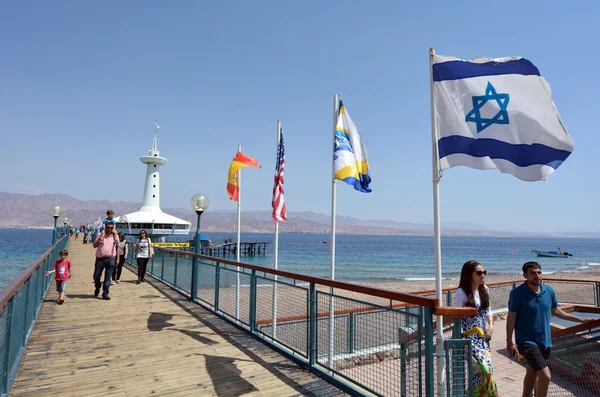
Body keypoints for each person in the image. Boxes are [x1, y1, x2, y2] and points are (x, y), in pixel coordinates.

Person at [506, 261, 593, 397]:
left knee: (532, 372)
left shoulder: (549, 291)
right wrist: (509, 341)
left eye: (539, 272)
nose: (537, 276)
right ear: (525, 275)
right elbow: (511, 317)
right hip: (526, 341)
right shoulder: (517, 293)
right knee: (545, 375)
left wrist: (581, 320)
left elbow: (557, 311)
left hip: (545, 341)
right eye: (533, 273)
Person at [455, 260, 498, 396]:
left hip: (483, 338)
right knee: (483, 370)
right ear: (469, 274)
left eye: (484, 272)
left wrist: (491, 326)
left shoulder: (485, 289)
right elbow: (457, 314)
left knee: (486, 372)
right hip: (470, 339)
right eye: (479, 273)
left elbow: (489, 310)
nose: (482, 275)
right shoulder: (462, 292)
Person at [92, 222, 119, 300]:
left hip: (110, 259)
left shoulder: (114, 237)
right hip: (100, 259)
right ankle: (97, 287)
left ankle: (105, 294)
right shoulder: (100, 235)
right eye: (108, 227)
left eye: (111, 228)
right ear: (105, 227)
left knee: (107, 278)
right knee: (96, 276)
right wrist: (99, 240)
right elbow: (94, 245)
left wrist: (117, 259)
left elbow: (117, 248)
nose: (109, 229)